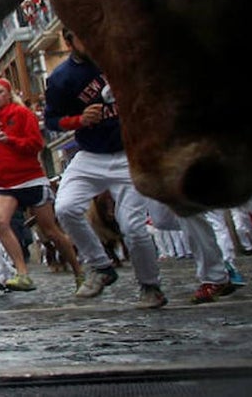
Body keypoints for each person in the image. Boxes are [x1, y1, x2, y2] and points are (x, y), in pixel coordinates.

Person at [46, 28, 167, 309]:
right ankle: (101, 266)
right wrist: (78, 120)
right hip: (91, 154)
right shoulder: (61, 78)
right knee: (65, 207)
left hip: (129, 152)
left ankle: (151, 286)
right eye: (82, 36)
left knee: (133, 226)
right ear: (68, 41)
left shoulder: (120, 59)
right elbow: (52, 120)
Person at [0, 77, 83, 293]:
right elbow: (0, 152)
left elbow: (36, 144)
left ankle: (79, 272)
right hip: (4, 182)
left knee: (50, 231)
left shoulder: (21, 114)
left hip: (30, 179)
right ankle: (22, 273)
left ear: (8, 94)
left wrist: (10, 140)